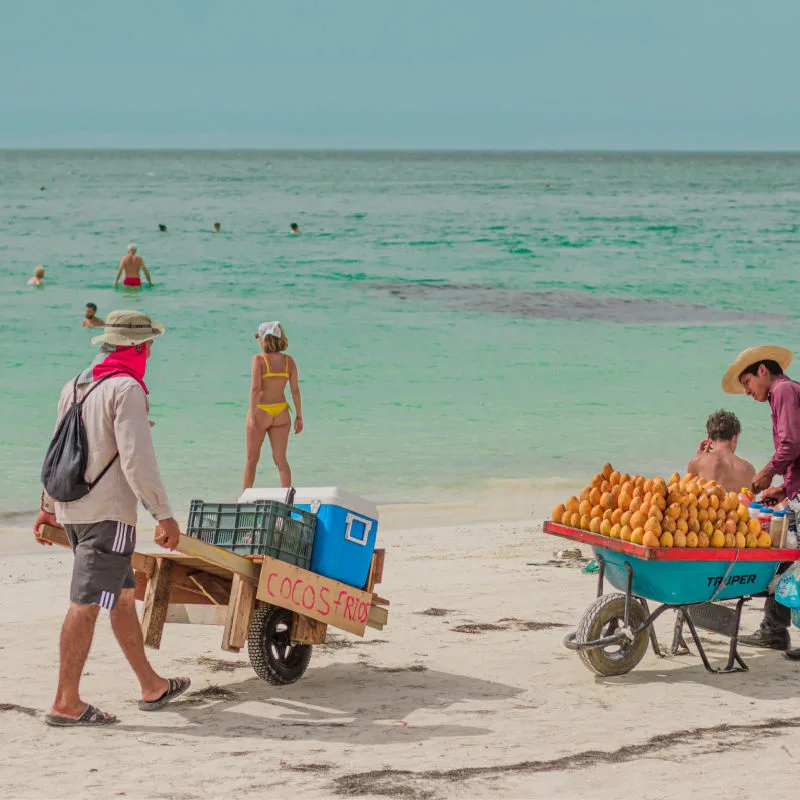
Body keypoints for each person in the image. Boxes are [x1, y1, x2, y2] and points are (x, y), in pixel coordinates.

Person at [33, 310, 190, 725]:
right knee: (85, 604)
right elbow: (138, 461)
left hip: (72, 509)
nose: (152, 349)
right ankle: (66, 702)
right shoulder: (127, 389)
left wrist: (48, 507)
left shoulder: (77, 385)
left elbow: (56, 450)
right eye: (149, 343)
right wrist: (164, 514)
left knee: (121, 595)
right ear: (136, 347)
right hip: (108, 516)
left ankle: (151, 685)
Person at [722, 345, 800, 655]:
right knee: (785, 557)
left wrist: (768, 472)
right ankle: (774, 629)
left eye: (747, 382)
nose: (746, 391)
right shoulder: (784, 393)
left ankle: (773, 630)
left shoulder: (783, 390)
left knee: (788, 557)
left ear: (763, 371)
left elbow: (792, 442)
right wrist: (784, 488)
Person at [242, 321, 303, 491]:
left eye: (259, 338)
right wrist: (299, 416)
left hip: (261, 412)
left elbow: (255, 389)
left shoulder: (259, 360)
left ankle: (244, 501)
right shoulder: (288, 361)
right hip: (281, 413)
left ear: (264, 340)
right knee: (281, 460)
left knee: (252, 459)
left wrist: (252, 416)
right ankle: (287, 505)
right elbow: (295, 390)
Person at [686, 410, 755, 493]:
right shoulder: (749, 470)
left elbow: (690, 495)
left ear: (709, 438)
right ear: (736, 437)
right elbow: (750, 502)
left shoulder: (697, 462)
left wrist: (699, 458)